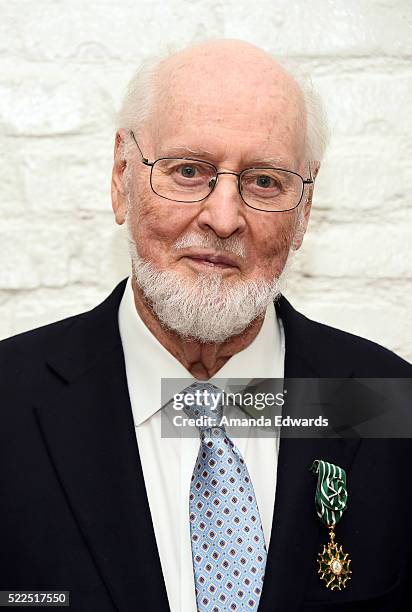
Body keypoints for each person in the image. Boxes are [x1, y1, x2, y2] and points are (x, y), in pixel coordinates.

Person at [0, 39, 411, 612]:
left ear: (305, 206)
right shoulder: (10, 403)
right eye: (188, 171)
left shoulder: (388, 404)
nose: (223, 218)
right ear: (122, 178)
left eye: (264, 181)